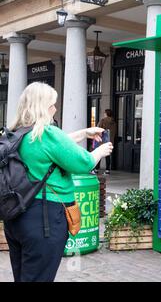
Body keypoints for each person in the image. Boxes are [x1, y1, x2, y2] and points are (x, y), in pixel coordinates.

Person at [3, 82, 113, 282]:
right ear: (43, 107)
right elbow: (83, 162)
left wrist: (82, 133)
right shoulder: (47, 133)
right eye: (53, 104)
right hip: (44, 218)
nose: (55, 109)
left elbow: (53, 147)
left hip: (17, 217)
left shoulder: (17, 133)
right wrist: (100, 151)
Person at [95, 109, 116, 175]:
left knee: (99, 154)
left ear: (106, 113)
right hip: (110, 140)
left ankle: (96, 169)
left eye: (104, 113)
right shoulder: (113, 122)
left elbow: (98, 129)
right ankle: (107, 170)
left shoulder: (103, 120)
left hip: (102, 140)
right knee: (107, 155)